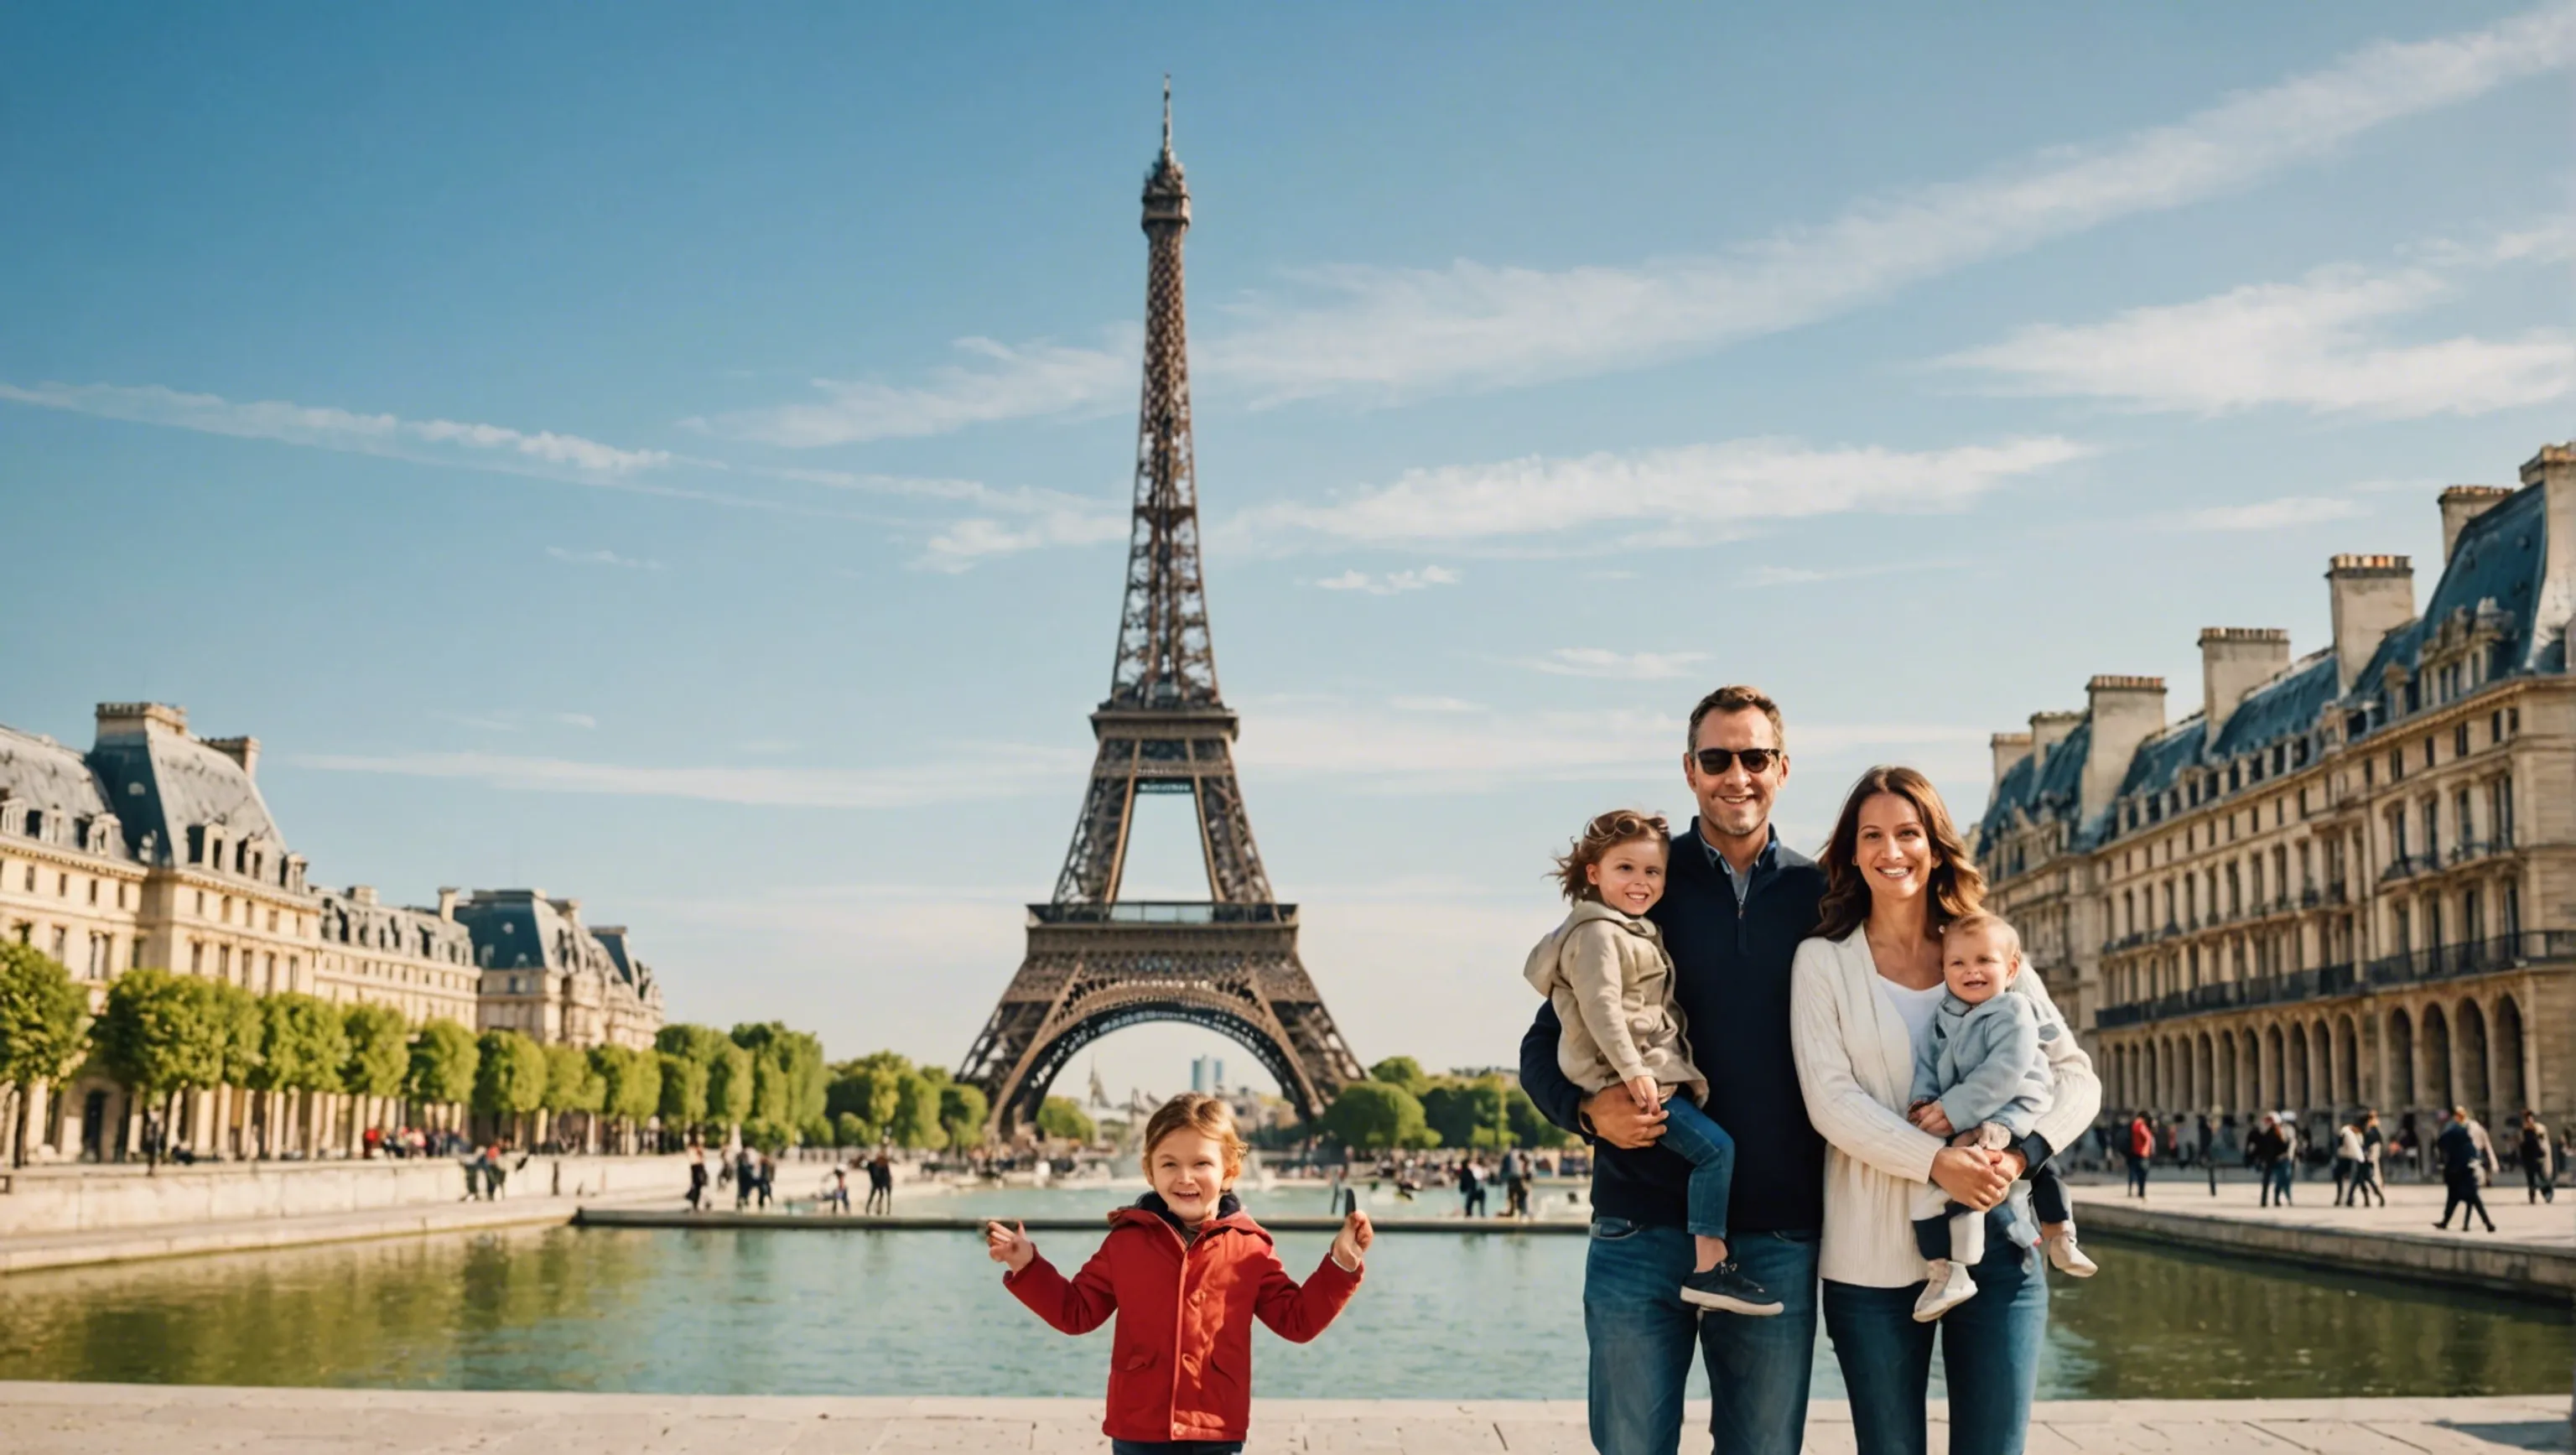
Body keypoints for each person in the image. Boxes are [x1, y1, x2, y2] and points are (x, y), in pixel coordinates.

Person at [1520, 684, 1828, 1455]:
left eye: (1754, 757)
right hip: (1639, 1225)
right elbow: (1541, 1044)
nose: (1737, 774)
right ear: (1689, 769)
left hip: (1774, 1232)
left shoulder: (1824, 894)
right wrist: (1588, 1113)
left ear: (1783, 768)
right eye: (1717, 757)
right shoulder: (1641, 883)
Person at [1789, 766, 2100, 1455]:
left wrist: (2022, 1155)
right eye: (1871, 835)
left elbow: (2076, 1076)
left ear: (1936, 845)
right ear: (1850, 851)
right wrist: (1938, 1162)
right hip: (1870, 1255)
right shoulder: (1821, 962)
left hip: (2003, 1241)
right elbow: (1830, 1099)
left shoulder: (1989, 951)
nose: (1890, 850)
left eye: (1908, 832)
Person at [986, 1093, 1373, 1455]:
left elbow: (1297, 1321)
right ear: (1149, 1172)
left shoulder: (1251, 1247)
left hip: (1215, 1429)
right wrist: (1027, 1265)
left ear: (1230, 1172)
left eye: (1201, 1164)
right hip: (1139, 1428)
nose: (1185, 1177)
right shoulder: (1125, 1243)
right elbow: (1076, 1312)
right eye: (1170, 1164)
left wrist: (1341, 1262)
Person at [1524, 808, 1782, 1316]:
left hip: (1770, 1220)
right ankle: (1711, 1264)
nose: (1641, 882)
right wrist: (1603, 1097)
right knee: (1715, 1151)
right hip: (1636, 1135)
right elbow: (1593, 1015)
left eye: (1652, 872)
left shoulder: (1631, 926)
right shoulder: (1603, 933)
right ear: (1594, 873)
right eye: (1626, 869)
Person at [1903, 912, 2095, 1322]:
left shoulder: (2016, 1008)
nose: (1971, 971)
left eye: (1983, 962)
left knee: (2025, 1169)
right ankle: (1952, 1267)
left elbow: (2004, 1071)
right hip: (1972, 1117)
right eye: (1958, 964)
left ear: (2012, 969)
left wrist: (1952, 1111)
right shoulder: (1944, 1015)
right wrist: (1922, 1099)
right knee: (1964, 1185)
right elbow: (1927, 1063)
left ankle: (2057, 1235)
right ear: (1944, 969)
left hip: (2012, 1112)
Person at [2433, 1106, 2498, 1232]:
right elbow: (2477, 1152)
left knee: (2455, 1199)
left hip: (2457, 1175)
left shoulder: (2453, 1130)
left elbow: (2442, 1144)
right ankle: (2486, 1224)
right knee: (2472, 1200)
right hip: (2468, 1174)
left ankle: (2448, 1222)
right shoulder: (2467, 1137)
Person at [2249, 1115, 2291, 1207]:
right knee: (2277, 1180)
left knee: (2269, 1181)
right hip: (2273, 1159)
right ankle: (2272, 1200)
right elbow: (2282, 1145)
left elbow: (2261, 1147)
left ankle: (2266, 1201)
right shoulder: (2273, 1133)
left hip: (2271, 1160)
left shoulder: (2272, 1133)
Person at [2351, 1111, 2386, 1207]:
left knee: (2364, 1178)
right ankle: (2365, 1199)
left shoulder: (2372, 1131)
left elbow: (2370, 1145)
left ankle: (2378, 1197)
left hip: (2366, 1158)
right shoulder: (2370, 1130)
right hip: (2365, 1157)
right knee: (2361, 1178)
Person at [2521, 1111, 2556, 1204]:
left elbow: (2543, 1142)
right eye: (2527, 1119)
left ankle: (2547, 1194)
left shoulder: (2538, 1128)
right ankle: (2532, 1197)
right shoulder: (2524, 1130)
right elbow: (2522, 1144)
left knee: (2542, 1177)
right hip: (2528, 1157)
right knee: (2531, 1178)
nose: (2529, 1121)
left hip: (2537, 1156)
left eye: (2530, 1118)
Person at [2332, 1120, 2360, 1206]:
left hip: (2347, 1158)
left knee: (2345, 1179)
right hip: (2350, 1158)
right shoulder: (2357, 1135)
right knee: (2353, 1180)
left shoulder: (2349, 1135)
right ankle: (2348, 1198)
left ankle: (2344, 1198)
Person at [2125, 1110, 2153, 1198]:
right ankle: (2141, 1191)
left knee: (2132, 1172)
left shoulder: (2131, 1125)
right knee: (2142, 1173)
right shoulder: (2141, 1126)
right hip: (2141, 1153)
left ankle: (2130, 1190)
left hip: (2131, 1152)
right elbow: (2148, 1137)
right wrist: (2146, 1149)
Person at [686, 1141, 709, 1212]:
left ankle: (696, 1203)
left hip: (697, 1168)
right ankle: (696, 1203)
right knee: (698, 1188)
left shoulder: (693, 1151)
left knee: (697, 1188)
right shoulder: (694, 1151)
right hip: (698, 1169)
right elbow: (698, 1161)